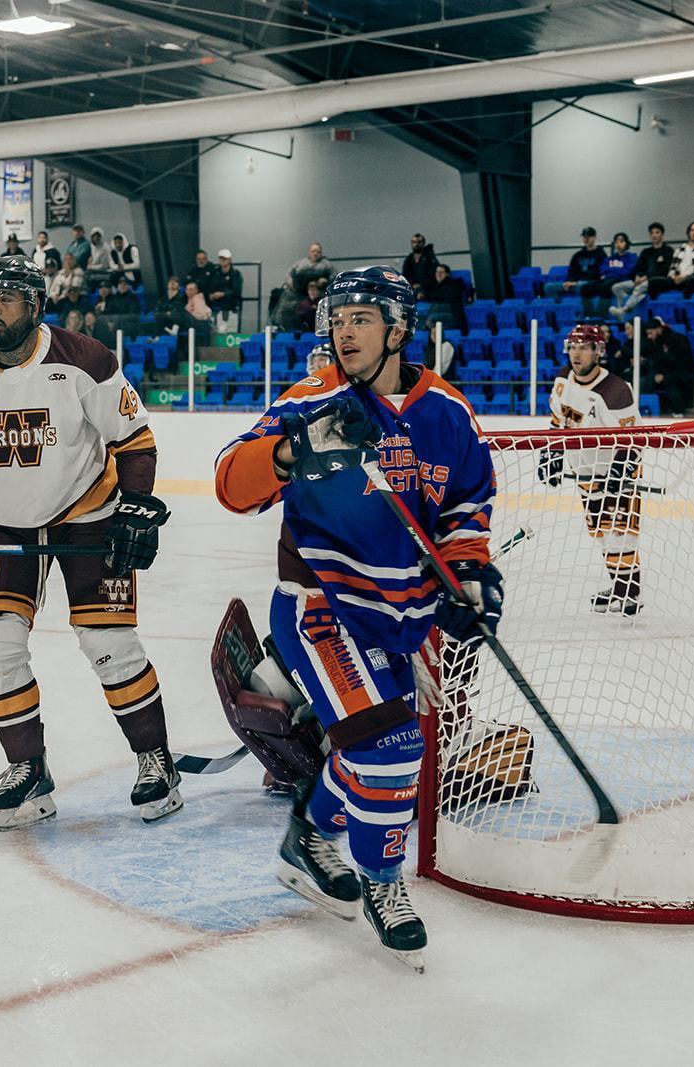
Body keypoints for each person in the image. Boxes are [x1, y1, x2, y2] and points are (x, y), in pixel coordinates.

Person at [213, 266, 499, 970]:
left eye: (361, 318)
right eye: (337, 320)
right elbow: (229, 483)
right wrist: (292, 451)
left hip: (402, 614)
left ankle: (309, 834)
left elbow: (465, 511)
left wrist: (467, 577)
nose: (344, 331)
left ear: (399, 330)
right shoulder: (314, 400)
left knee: (369, 751)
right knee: (392, 748)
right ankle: (382, 881)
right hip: (320, 606)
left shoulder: (447, 412)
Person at [0, 256, 181, 830]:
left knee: (108, 642)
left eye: (6, 298)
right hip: (1, 522)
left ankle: (156, 760)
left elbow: (134, 439)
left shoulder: (84, 359)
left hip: (88, 514)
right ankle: (29, 769)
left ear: (36, 306)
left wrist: (137, 505)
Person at [541, 323, 642, 615]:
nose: (577, 353)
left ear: (598, 352)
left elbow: (634, 439)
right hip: (585, 471)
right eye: (573, 347)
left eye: (584, 347)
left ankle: (629, 593)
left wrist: (620, 470)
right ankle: (619, 586)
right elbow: (558, 421)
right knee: (600, 532)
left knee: (620, 533)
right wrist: (552, 453)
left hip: (616, 472)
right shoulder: (563, 378)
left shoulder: (615, 390)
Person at [609, 223, 675, 321]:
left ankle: (625, 309)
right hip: (640, 279)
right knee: (617, 287)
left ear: (662, 235)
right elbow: (639, 266)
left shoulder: (668, 251)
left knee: (641, 287)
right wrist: (637, 276)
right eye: (652, 233)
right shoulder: (646, 252)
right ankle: (627, 311)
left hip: (655, 281)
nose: (654, 235)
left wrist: (645, 277)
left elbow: (663, 270)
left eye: (657, 232)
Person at [641, 316, 694, 418]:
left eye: (650, 333)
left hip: (681, 373)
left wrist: (664, 375)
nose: (649, 337)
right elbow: (654, 361)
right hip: (662, 373)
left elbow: (682, 363)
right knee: (644, 381)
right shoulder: (653, 343)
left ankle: (678, 411)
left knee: (671, 381)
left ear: (659, 329)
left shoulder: (678, 339)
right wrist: (657, 374)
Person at [545, 227, 608, 300]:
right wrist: (569, 282)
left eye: (589, 237)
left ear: (594, 238)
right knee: (549, 287)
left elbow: (599, 274)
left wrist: (576, 283)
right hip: (574, 283)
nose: (586, 239)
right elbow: (572, 271)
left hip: (590, 284)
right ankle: (559, 305)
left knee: (583, 286)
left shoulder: (601, 255)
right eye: (584, 237)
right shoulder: (578, 255)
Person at [652, 221, 694, 296]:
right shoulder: (680, 249)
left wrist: (685, 277)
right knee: (654, 282)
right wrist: (673, 277)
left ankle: (684, 300)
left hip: (693, 280)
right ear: (689, 232)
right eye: (692, 230)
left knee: (692, 280)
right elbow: (672, 268)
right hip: (677, 279)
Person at [208, 249, 243, 330]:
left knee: (231, 331)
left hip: (231, 307)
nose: (223, 260)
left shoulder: (235, 273)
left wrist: (223, 294)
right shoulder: (215, 273)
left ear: (230, 259)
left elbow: (237, 291)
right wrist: (211, 295)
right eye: (221, 258)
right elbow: (210, 287)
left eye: (225, 259)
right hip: (216, 307)